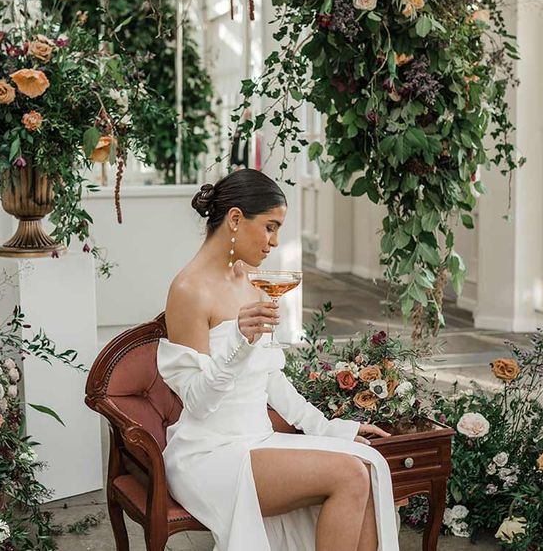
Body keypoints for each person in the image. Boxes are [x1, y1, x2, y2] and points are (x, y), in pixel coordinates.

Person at [157, 168, 399, 551]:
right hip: (211, 453)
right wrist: (239, 340)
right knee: (350, 474)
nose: (274, 241)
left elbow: (271, 380)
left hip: (259, 440)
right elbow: (198, 403)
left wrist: (331, 427)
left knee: (366, 467)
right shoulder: (188, 290)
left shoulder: (251, 279)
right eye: (270, 227)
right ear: (235, 219)